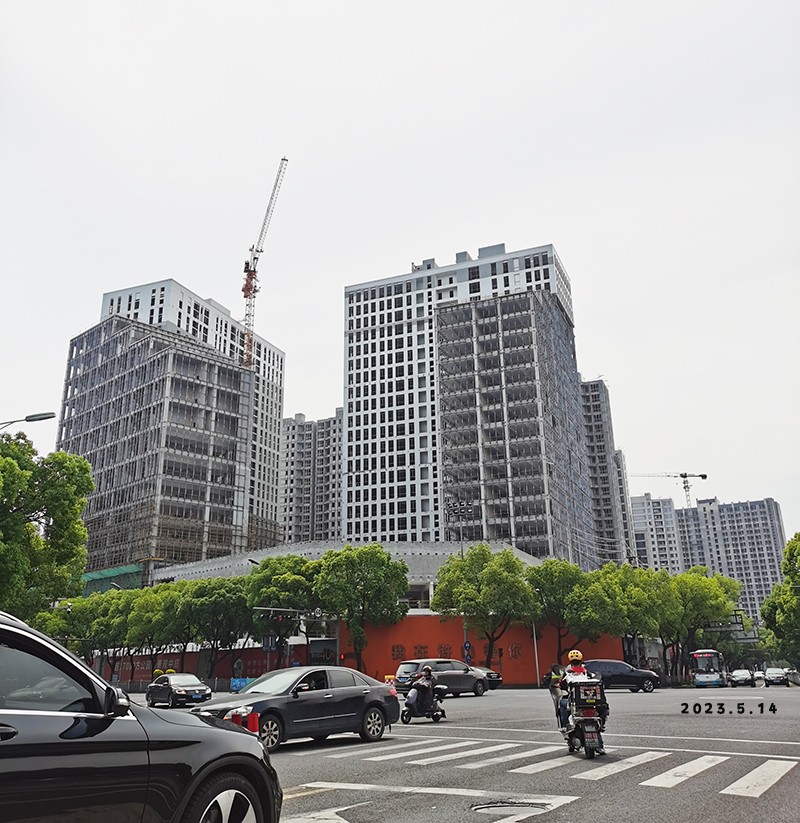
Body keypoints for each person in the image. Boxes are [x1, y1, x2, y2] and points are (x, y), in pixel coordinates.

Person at [559, 650, 605, 755]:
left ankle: (566, 726)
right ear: (581, 660)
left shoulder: (567, 672)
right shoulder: (586, 672)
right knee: (599, 714)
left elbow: (562, 684)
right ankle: (600, 745)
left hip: (576, 701)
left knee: (562, 704)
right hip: (591, 700)